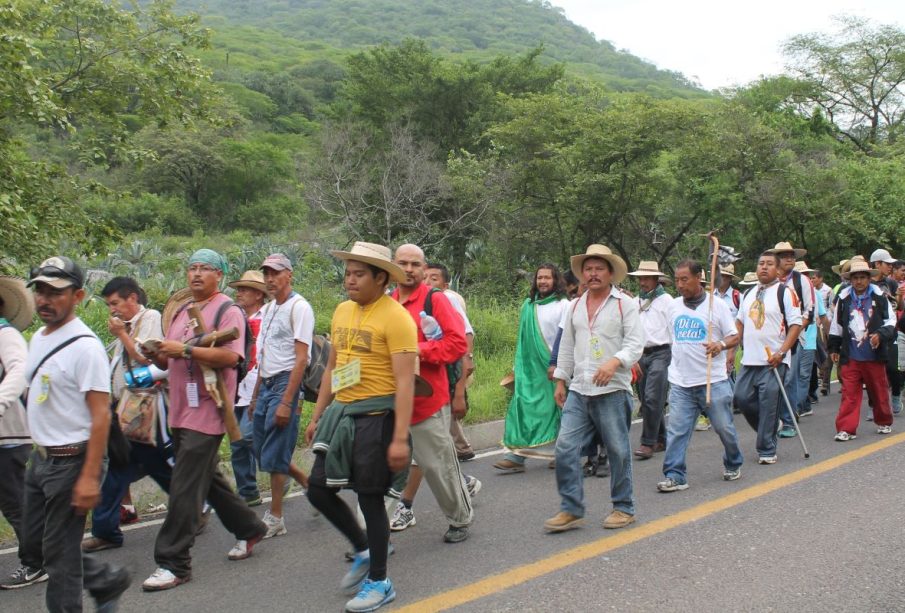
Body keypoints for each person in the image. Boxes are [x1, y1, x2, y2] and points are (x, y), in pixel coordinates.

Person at [140, 249, 267, 591]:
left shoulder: (228, 311)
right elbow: (169, 363)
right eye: (192, 268)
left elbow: (230, 355)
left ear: (220, 275)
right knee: (209, 479)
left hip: (209, 410)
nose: (196, 274)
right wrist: (158, 352)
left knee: (184, 487)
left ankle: (173, 562)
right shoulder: (181, 311)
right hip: (181, 409)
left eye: (205, 269)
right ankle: (250, 528)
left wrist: (184, 350)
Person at [304, 241, 417, 613]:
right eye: (348, 274)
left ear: (380, 278)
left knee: (370, 499)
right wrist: (318, 415)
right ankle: (364, 547)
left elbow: (405, 383)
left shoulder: (397, 318)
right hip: (342, 414)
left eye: (358, 274)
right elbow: (333, 368)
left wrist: (400, 437)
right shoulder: (341, 312)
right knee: (318, 488)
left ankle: (380, 582)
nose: (349, 281)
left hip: (377, 419)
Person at [13, 257, 130, 611]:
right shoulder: (39, 339)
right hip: (42, 458)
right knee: (35, 545)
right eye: (41, 291)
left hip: (72, 461)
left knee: (61, 563)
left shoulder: (85, 347)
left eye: (56, 292)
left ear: (77, 296)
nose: (46, 300)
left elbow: (99, 416)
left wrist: (90, 477)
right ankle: (103, 580)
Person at [546, 245, 644, 532]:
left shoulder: (625, 304)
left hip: (612, 389)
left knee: (618, 450)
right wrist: (561, 380)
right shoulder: (575, 305)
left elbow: (636, 343)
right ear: (582, 274)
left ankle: (624, 507)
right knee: (565, 448)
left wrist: (615, 362)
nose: (593, 273)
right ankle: (571, 508)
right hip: (580, 388)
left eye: (599, 268)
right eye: (588, 269)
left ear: (610, 273)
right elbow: (566, 346)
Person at [390, 244, 474, 543]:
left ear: (425, 269)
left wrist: (417, 352)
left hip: (428, 401)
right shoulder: (386, 302)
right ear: (392, 267)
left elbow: (456, 344)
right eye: (403, 264)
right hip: (391, 402)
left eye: (416, 264)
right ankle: (371, 535)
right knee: (382, 469)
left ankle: (459, 520)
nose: (409, 269)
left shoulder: (434, 300)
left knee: (438, 468)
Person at [82, 277, 171, 553]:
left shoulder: (150, 317)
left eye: (115, 303)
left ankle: (198, 503)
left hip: (146, 408)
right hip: (125, 409)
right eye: (109, 305)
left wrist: (122, 335)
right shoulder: (129, 328)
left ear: (132, 298)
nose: (112, 310)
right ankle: (106, 530)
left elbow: (149, 358)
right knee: (123, 469)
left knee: (146, 467)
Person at [657, 260, 743, 492]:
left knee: (724, 427)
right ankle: (675, 475)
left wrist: (720, 345)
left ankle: (733, 461)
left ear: (698, 279)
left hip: (711, 381)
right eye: (676, 280)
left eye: (684, 279)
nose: (680, 284)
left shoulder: (717, 306)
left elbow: (734, 336)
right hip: (680, 382)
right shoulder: (673, 307)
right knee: (677, 431)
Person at [250, 254, 314, 537]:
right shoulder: (269, 309)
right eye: (266, 274)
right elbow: (263, 354)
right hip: (266, 384)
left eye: (275, 273)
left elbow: (301, 359)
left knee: (275, 451)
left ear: (289, 274)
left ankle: (276, 516)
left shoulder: (299, 307)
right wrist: (255, 396)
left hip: (286, 383)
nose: (270, 279)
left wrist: (287, 401)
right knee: (262, 449)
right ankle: (308, 483)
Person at [493, 264, 570, 473]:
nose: (543, 282)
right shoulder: (528, 305)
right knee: (522, 406)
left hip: (554, 367)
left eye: (547, 278)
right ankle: (516, 456)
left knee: (556, 409)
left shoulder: (564, 305)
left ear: (556, 281)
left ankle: (560, 454)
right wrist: (517, 366)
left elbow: (565, 338)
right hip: (529, 368)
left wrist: (559, 365)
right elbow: (523, 338)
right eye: (539, 278)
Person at [733, 252, 803, 465]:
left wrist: (782, 352)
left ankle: (766, 448)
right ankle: (773, 426)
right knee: (741, 398)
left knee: (769, 402)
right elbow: (740, 325)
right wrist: (729, 352)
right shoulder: (747, 294)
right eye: (761, 263)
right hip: (749, 359)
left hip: (774, 360)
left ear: (779, 270)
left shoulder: (785, 292)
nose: (764, 267)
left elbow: (796, 325)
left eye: (769, 264)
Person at [0, 276, 43, 589]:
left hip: (8, 435)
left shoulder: (6, 335)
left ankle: (36, 563)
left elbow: (19, 370)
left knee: (16, 503)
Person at [828, 260, 896, 440]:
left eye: (862, 278)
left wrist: (880, 335)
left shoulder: (880, 297)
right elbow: (836, 326)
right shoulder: (843, 299)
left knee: (878, 390)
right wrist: (834, 347)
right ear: (850, 280)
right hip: (851, 355)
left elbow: (891, 322)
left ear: (869, 279)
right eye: (855, 278)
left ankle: (883, 421)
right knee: (849, 393)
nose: (859, 281)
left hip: (874, 354)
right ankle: (846, 428)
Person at [424, 262, 476, 462]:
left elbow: (466, 333)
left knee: (445, 406)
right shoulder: (416, 299)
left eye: (434, 278)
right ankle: (459, 448)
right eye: (425, 277)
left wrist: (468, 360)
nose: (428, 282)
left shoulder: (446, 300)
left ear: (445, 285)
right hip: (428, 366)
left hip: (448, 367)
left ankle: (458, 454)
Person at [766, 241, 814, 438]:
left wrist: (793, 332)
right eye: (785, 256)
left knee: (789, 379)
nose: (790, 259)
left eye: (792, 256)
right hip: (771, 337)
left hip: (794, 338)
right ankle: (773, 418)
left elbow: (808, 311)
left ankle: (788, 421)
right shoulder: (768, 281)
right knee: (770, 381)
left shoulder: (801, 280)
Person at [228, 270, 268, 506]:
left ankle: (278, 470)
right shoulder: (234, 317)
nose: (239, 293)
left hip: (257, 383)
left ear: (258, 295)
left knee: (247, 435)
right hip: (236, 384)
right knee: (236, 441)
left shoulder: (268, 317)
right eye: (239, 289)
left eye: (245, 289)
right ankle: (248, 491)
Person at [627, 261, 672, 460]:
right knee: (647, 399)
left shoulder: (667, 301)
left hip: (661, 353)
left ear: (656, 279)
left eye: (646, 278)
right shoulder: (635, 302)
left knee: (653, 397)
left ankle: (648, 443)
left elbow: (673, 330)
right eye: (640, 278)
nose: (642, 282)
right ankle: (661, 438)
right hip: (640, 354)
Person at [790, 263, 827, 418]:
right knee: (793, 375)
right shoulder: (789, 292)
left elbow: (823, 316)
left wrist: (830, 340)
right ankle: (804, 405)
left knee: (804, 375)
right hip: (793, 340)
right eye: (801, 274)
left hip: (809, 339)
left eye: (806, 274)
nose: (805, 277)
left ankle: (796, 408)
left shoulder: (815, 293)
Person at [869, 248, 902, 415]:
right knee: (873, 371)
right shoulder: (866, 283)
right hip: (872, 333)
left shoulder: (891, 283)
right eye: (887, 264)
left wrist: (899, 297)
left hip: (891, 332)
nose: (890, 267)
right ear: (877, 264)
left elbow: (899, 307)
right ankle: (872, 405)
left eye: (891, 264)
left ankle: (896, 395)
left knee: (892, 368)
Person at [812, 269, 836, 396]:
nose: (812, 280)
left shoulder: (828, 290)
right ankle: (821, 376)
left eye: (814, 278)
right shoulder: (810, 291)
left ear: (821, 279)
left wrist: (826, 323)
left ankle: (825, 382)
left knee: (827, 351)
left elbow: (831, 308)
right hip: (815, 325)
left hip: (826, 323)